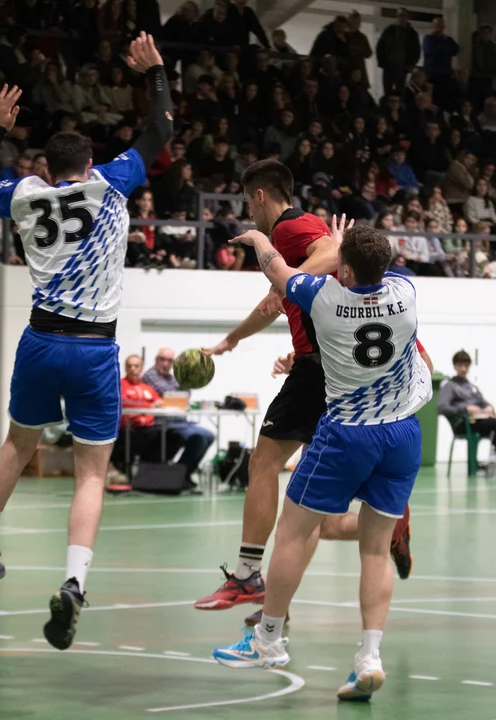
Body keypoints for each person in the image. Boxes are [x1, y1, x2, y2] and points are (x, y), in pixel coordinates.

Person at [0, 34, 173, 655]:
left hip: (40, 341)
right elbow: (160, 131)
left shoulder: (25, 194)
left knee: (17, 444)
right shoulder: (111, 184)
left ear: (48, 168)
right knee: (91, 474)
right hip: (94, 351)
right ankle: (74, 584)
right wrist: (155, 72)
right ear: (89, 161)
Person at [212, 222, 431, 703]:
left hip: (348, 434)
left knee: (293, 531)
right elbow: (359, 272)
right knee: (375, 550)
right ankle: (369, 657)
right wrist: (343, 249)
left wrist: (257, 238)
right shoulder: (406, 292)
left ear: (344, 269)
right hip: (402, 435)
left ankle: (268, 640)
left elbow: (277, 269)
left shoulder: (324, 300)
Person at [196, 165, 413, 622]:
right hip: (325, 366)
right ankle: (285, 603)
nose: (247, 210)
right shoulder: (305, 232)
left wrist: (286, 280)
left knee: (263, 462)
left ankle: (248, 573)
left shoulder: (289, 227)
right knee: (320, 521)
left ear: (259, 196)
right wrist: (234, 338)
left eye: (246, 201)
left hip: (319, 372)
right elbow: (284, 298)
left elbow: (329, 255)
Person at [140, 348, 215, 482]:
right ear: (156, 359)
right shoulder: (150, 375)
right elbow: (169, 392)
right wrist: (186, 379)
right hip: (163, 422)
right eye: (162, 359)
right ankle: (179, 475)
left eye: (170, 361)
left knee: (209, 436)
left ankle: (182, 474)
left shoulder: (171, 377)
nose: (165, 364)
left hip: (180, 421)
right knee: (199, 438)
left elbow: (185, 394)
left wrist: (186, 379)